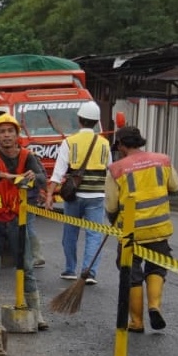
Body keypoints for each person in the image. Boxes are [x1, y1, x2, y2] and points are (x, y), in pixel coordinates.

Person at [105, 126, 178, 332]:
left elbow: (111, 205)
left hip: (131, 232)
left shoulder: (116, 169)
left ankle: (137, 322)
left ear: (121, 145)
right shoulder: (162, 160)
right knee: (156, 267)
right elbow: (175, 186)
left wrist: (112, 219)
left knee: (131, 273)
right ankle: (154, 306)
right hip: (159, 228)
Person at [0, 114, 48, 327]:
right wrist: (7, 176)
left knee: (26, 264)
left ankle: (36, 313)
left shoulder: (27, 156)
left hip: (17, 218)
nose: (7, 135)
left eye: (10, 131)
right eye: (2, 132)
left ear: (17, 135)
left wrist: (32, 176)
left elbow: (42, 177)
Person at [45, 102, 110, 285]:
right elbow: (111, 172)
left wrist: (50, 195)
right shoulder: (105, 144)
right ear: (96, 121)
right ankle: (89, 272)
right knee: (94, 234)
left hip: (74, 197)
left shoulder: (70, 142)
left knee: (70, 233)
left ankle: (70, 269)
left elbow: (58, 173)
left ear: (79, 120)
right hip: (97, 197)